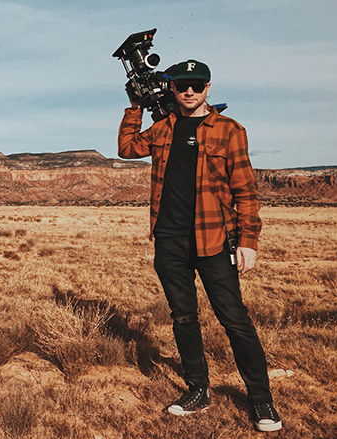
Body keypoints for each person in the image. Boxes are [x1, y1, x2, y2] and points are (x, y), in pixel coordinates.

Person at [117, 59, 282, 432]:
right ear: (172, 88)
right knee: (183, 318)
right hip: (170, 239)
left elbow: (246, 191)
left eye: (196, 84)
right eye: (181, 84)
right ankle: (197, 389)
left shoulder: (228, 130)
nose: (189, 90)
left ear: (208, 88)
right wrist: (135, 107)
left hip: (213, 239)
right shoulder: (161, 128)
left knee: (235, 320)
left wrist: (248, 241)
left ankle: (260, 399)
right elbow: (127, 148)